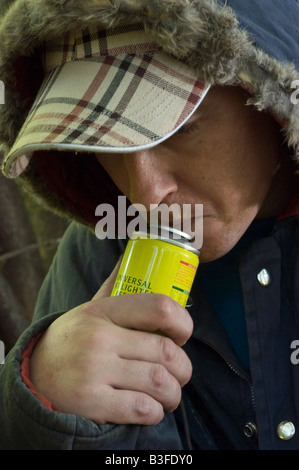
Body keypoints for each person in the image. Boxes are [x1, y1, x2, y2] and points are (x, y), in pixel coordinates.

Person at [0, 0, 298, 450]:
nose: (144, 196)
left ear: (272, 99)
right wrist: (53, 412)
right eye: (103, 141)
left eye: (178, 130)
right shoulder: (96, 258)